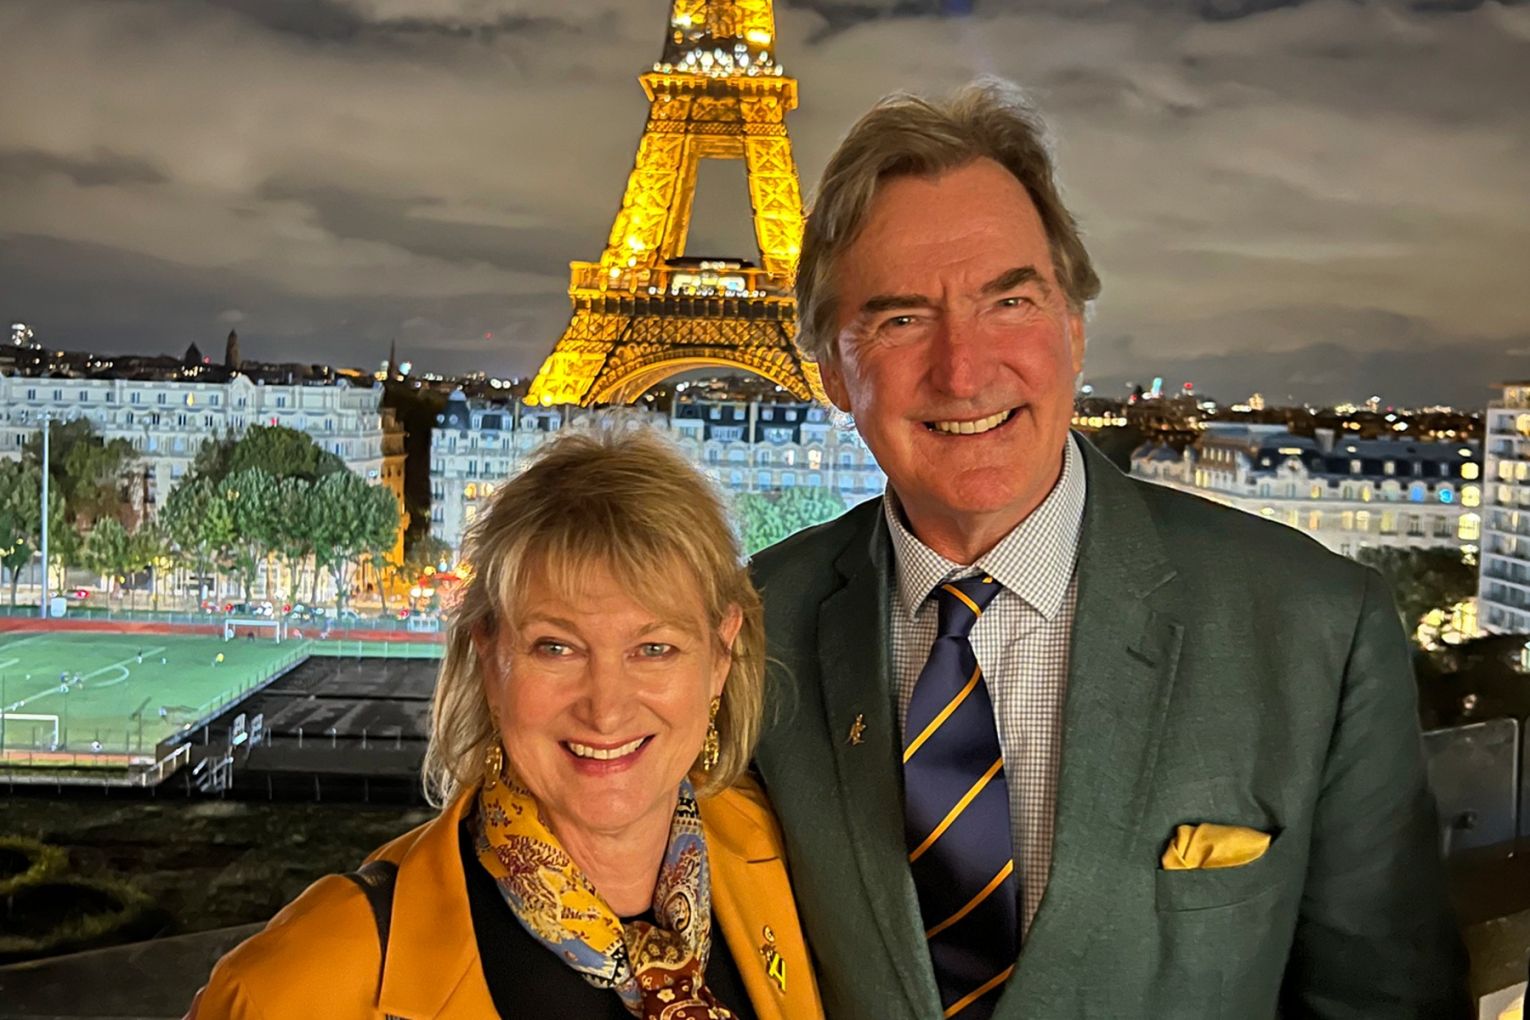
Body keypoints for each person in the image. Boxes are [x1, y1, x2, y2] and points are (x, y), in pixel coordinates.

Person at [750, 80, 1469, 1019]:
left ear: (1074, 332)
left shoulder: (1315, 629)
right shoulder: (748, 626)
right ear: (831, 375)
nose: (963, 369)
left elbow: (1388, 1003)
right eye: (899, 319)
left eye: (1009, 301)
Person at [189, 429, 822, 1020]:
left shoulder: (790, 860)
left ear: (721, 656)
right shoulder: (302, 982)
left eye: (653, 649)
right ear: (490, 660)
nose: (606, 708)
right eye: (557, 647)